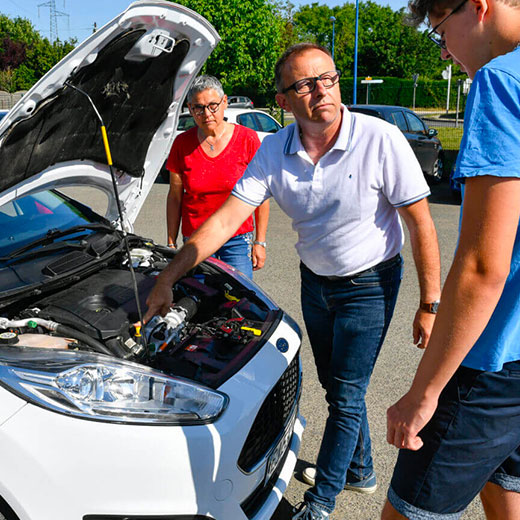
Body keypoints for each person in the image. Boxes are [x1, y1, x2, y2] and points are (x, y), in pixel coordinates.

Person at [144, 43, 441, 519]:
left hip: (371, 284)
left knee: (345, 394)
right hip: (316, 281)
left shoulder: (381, 138)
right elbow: (223, 223)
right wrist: (167, 277)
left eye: (327, 78)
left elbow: (421, 223)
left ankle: (320, 503)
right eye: (304, 84)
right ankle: (360, 470)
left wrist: (430, 302)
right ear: (283, 100)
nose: (320, 91)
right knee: (335, 384)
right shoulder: (273, 150)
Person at [383, 0, 520, 519]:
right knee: (507, 489)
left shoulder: (501, 80)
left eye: (440, 31)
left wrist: (423, 393)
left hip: (492, 361)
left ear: (479, 8)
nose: (444, 48)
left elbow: (485, 265)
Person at [165, 75, 269, 279]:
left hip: (237, 240)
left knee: (238, 300)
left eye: (213, 106)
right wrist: (171, 241)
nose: (206, 114)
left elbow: (261, 195)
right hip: (196, 239)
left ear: (224, 102)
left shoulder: (247, 139)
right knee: (198, 298)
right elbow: (175, 196)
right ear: (190, 108)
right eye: (198, 107)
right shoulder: (182, 144)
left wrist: (260, 242)